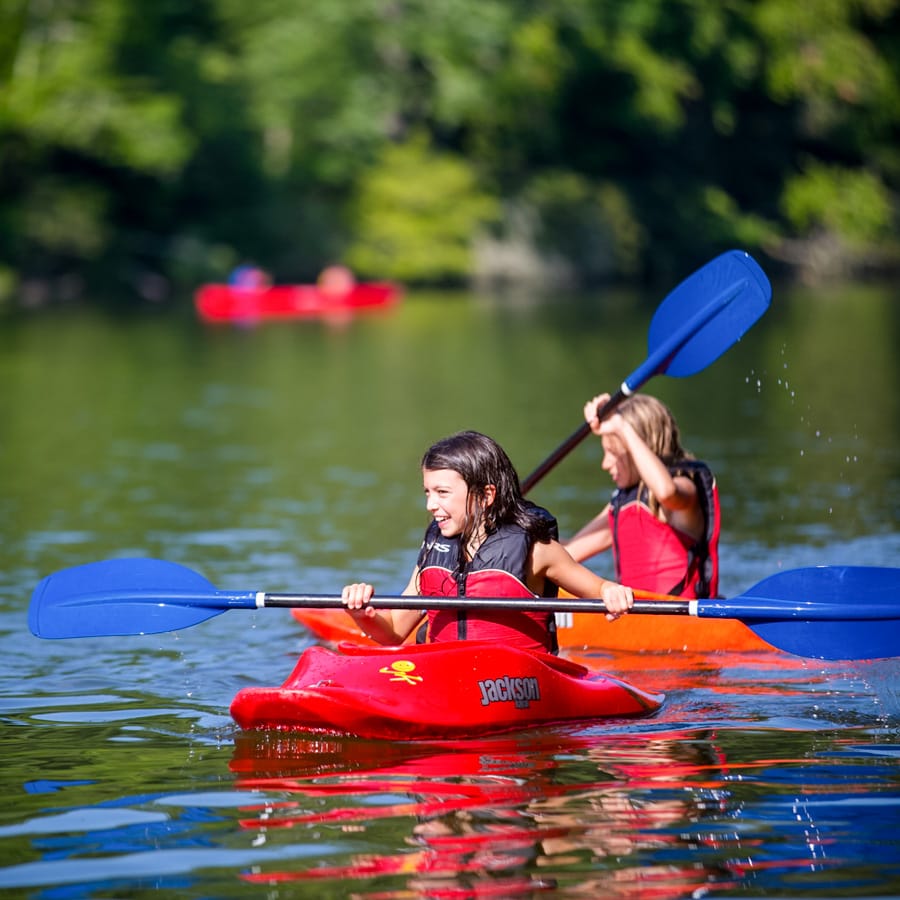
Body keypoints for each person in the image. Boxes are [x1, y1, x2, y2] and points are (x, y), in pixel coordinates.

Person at [342, 430, 634, 652]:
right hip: (444, 676)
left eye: (442, 493)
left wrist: (612, 593)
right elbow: (393, 632)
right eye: (427, 493)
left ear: (485, 496)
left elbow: (599, 588)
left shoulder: (536, 549)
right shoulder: (434, 547)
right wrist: (362, 615)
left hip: (518, 682)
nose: (431, 505)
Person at [564, 393, 720, 599]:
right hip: (638, 622)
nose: (605, 464)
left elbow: (666, 492)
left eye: (613, 452)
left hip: (686, 624)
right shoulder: (623, 502)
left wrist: (621, 426)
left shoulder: (686, 488)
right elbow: (568, 554)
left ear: (637, 446)